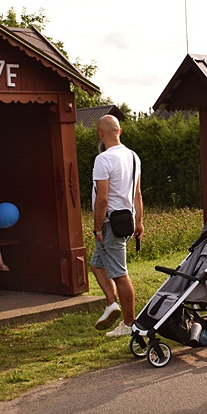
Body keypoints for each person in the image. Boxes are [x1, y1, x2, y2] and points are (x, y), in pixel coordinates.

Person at [90, 115, 144, 337]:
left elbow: (102, 199)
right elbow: (137, 192)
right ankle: (112, 304)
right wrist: (139, 221)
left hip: (109, 224)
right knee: (96, 264)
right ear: (119, 131)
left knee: (120, 274)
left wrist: (97, 228)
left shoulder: (103, 159)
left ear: (100, 134)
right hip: (127, 222)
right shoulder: (133, 156)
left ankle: (130, 324)